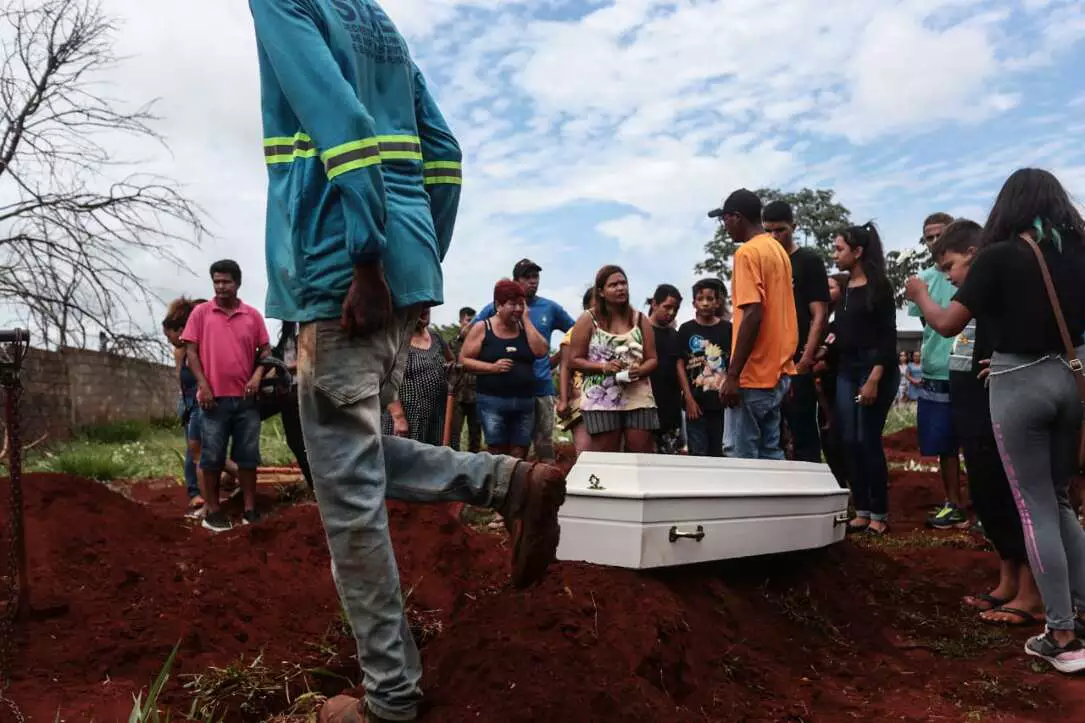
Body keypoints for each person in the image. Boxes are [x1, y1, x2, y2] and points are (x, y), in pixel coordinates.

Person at [248, 2, 568, 720]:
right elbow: (443, 151)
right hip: (398, 270)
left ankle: (389, 695)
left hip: (340, 270)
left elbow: (341, 122)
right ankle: (507, 481)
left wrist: (366, 256)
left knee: (349, 504)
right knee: (355, 458)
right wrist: (418, 261)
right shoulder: (375, 21)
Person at [904, 168, 1085, 673]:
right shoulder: (1078, 250)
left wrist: (920, 292)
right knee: (1061, 504)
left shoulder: (998, 256)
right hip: (1073, 380)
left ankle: (1063, 635)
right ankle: (1080, 609)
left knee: (1035, 510)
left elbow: (947, 323)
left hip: (1019, 383)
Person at [910, 220, 1042, 626]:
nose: (947, 276)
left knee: (1009, 493)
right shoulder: (975, 294)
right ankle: (1006, 580)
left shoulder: (1000, 279)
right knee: (985, 489)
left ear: (973, 251)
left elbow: (947, 322)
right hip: (968, 398)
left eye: (949, 265)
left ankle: (1031, 593)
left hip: (997, 401)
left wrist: (919, 294)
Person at [708, 189, 798, 459]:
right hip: (778, 369)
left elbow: (753, 313)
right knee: (770, 452)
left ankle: (748, 504)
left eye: (724, 219)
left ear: (736, 217)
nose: (724, 227)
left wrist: (733, 375)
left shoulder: (747, 253)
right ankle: (778, 503)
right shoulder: (777, 250)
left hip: (754, 373)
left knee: (740, 455)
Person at [181, 260, 270, 532]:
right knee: (211, 456)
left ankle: (250, 508)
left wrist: (257, 377)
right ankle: (214, 511)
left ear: (238, 283)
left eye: (226, 282)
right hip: (213, 400)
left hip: (246, 402)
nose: (221, 287)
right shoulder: (201, 314)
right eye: (217, 282)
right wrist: (203, 385)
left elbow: (266, 353)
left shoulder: (252, 316)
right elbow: (191, 353)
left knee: (247, 457)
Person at [831, 224, 899, 535]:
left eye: (839, 248)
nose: (835, 254)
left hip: (874, 369)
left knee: (867, 439)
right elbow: (843, 334)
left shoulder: (880, 286)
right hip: (846, 369)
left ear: (857, 252)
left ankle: (879, 514)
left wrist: (874, 377)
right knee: (848, 439)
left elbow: (888, 338)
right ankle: (862, 509)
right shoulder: (844, 291)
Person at [475, 259, 576, 462]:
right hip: (507, 392)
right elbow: (473, 334)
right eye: (526, 277)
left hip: (541, 387)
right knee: (510, 448)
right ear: (515, 281)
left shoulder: (550, 308)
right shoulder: (494, 307)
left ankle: (545, 488)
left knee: (544, 444)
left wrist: (554, 360)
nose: (532, 281)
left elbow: (575, 334)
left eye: (535, 277)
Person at [909, 212, 967, 530]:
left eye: (939, 235)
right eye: (928, 237)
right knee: (944, 443)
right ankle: (953, 504)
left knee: (977, 440)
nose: (934, 242)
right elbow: (927, 323)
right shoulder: (924, 279)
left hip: (970, 367)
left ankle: (987, 505)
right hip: (936, 370)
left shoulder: (972, 272)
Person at [762, 200, 830, 463]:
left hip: (797, 359)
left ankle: (810, 492)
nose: (774, 237)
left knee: (802, 429)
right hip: (769, 362)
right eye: (768, 231)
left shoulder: (808, 261)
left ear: (794, 227)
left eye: (780, 230)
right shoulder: (765, 261)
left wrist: (806, 359)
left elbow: (820, 314)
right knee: (771, 432)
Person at [162, 297, 239, 518]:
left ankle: (242, 481)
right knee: (199, 455)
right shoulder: (185, 350)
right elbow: (183, 381)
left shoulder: (201, 348)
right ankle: (205, 498)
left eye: (170, 336)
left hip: (202, 406)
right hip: (191, 405)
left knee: (206, 456)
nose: (170, 341)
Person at [570, 265, 660, 452]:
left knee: (640, 455)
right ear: (601, 292)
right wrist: (603, 367)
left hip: (638, 396)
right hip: (601, 399)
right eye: (614, 285)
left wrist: (641, 370)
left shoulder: (640, 319)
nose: (621, 288)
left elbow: (652, 358)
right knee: (607, 459)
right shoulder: (588, 320)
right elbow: (574, 360)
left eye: (623, 283)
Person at [460, 280, 549, 458]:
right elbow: (464, 360)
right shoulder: (482, 328)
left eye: (520, 304)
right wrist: (492, 367)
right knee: (497, 453)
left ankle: (515, 485)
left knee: (520, 452)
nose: (517, 308)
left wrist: (526, 320)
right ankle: (497, 486)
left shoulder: (525, 328)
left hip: (524, 402)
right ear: (498, 305)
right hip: (492, 402)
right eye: (512, 304)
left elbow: (541, 351)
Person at [381, 308, 454, 446]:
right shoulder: (396, 338)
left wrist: (452, 370)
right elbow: (385, 380)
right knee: (406, 459)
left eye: (427, 306)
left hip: (436, 415)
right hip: (408, 416)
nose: (425, 309)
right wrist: (399, 418)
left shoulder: (435, 337)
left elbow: (451, 361)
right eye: (419, 306)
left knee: (434, 458)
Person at [677, 279, 732, 457]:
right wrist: (689, 398)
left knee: (720, 452)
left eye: (710, 298)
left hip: (722, 403)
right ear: (694, 303)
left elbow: (733, 360)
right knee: (698, 453)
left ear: (718, 302)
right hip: (696, 404)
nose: (705, 303)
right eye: (700, 299)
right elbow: (680, 364)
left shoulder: (728, 329)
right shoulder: (686, 329)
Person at [815, 273, 849, 487]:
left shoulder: (845, 322)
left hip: (840, 390)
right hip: (822, 393)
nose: (825, 291)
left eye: (831, 287)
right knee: (828, 442)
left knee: (840, 441)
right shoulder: (822, 320)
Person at [272, 322, 315, 489]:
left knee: (302, 440)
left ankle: (317, 485)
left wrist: (283, 368)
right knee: (296, 441)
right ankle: (314, 484)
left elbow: (310, 360)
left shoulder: (306, 328)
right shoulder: (287, 335)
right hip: (290, 392)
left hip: (305, 390)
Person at [557, 288, 596, 453]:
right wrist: (564, 399)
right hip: (581, 401)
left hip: (610, 401)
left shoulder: (617, 331)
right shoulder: (573, 333)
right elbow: (565, 366)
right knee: (585, 452)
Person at [647, 284, 685, 454]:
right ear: (654, 304)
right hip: (645, 408)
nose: (671, 313)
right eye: (667, 307)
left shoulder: (676, 336)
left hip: (671, 411)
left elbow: (679, 369)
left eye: (675, 309)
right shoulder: (640, 331)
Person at [447, 306, 482, 452]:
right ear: (461, 321)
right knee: (453, 435)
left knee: (475, 437)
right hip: (457, 395)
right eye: (468, 321)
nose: (471, 324)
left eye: (474, 321)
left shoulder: (480, 342)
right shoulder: (452, 344)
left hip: (476, 395)